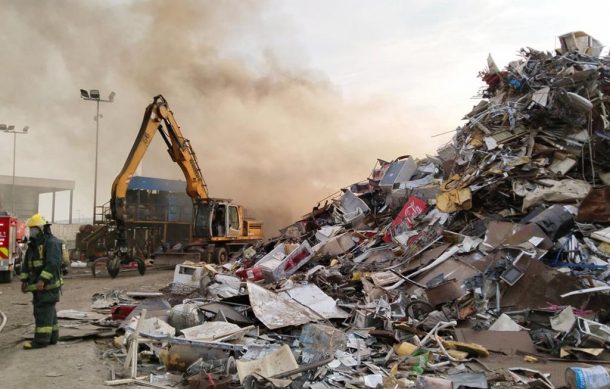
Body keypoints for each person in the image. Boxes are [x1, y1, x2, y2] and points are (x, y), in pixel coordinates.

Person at [20, 213, 64, 350]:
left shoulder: (52, 243)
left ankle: (40, 341)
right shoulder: (34, 245)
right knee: (49, 311)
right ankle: (52, 338)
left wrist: (42, 280)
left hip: (48, 285)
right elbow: (27, 264)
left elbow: (53, 263)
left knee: (42, 311)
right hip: (40, 286)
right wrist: (24, 280)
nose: (31, 231)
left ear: (40, 228)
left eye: (33, 229)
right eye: (30, 229)